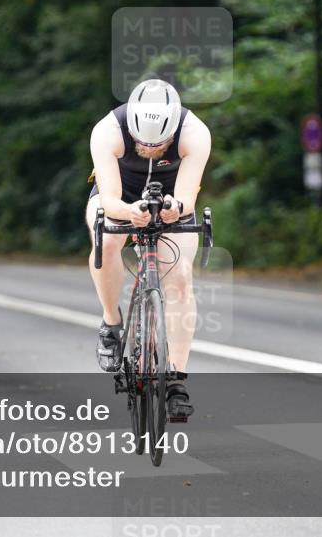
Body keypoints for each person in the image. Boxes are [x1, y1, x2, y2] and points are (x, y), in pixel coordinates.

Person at [86, 79, 211, 420]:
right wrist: (130, 213)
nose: (152, 149)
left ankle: (176, 381)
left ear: (174, 129)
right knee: (107, 239)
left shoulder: (195, 133)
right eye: (143, 143)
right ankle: (111, 323)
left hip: (171, 193)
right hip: (120, 192)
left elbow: (187, 196)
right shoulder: (107, 131)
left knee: (181, 276)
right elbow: (109, 201)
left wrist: (175, 207)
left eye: (161, 144)